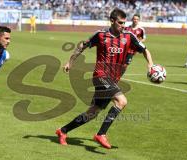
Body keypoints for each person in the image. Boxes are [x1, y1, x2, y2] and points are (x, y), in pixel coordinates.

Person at [56, 8, 154, 149]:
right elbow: (82, 46)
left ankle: (63, 131)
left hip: (113, 79)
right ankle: (101, 134)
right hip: (100, 76)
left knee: (93, 112)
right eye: (120, 22)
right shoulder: (101, 35)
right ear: (112, 21)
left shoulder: (129, 36)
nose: (123, 25)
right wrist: (70, 62)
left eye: (124, 22)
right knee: (121, 101)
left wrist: (150, 65)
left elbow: (145, 49)